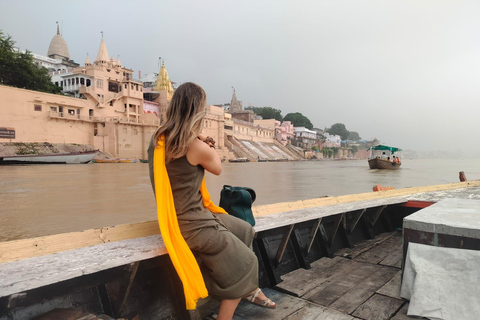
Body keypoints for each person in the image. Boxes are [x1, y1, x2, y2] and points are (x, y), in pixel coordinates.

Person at [148, 82, 275, 320]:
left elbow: (183, 139)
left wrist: (198, 136)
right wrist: (208, 142)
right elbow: (216, 167)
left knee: (244, 230)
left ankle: (243, 287)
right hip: (192, 223)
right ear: (199, 112)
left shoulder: (160, 139)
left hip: (185, 214)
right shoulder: (195, 147)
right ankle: (229, 305)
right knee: (248, 263)